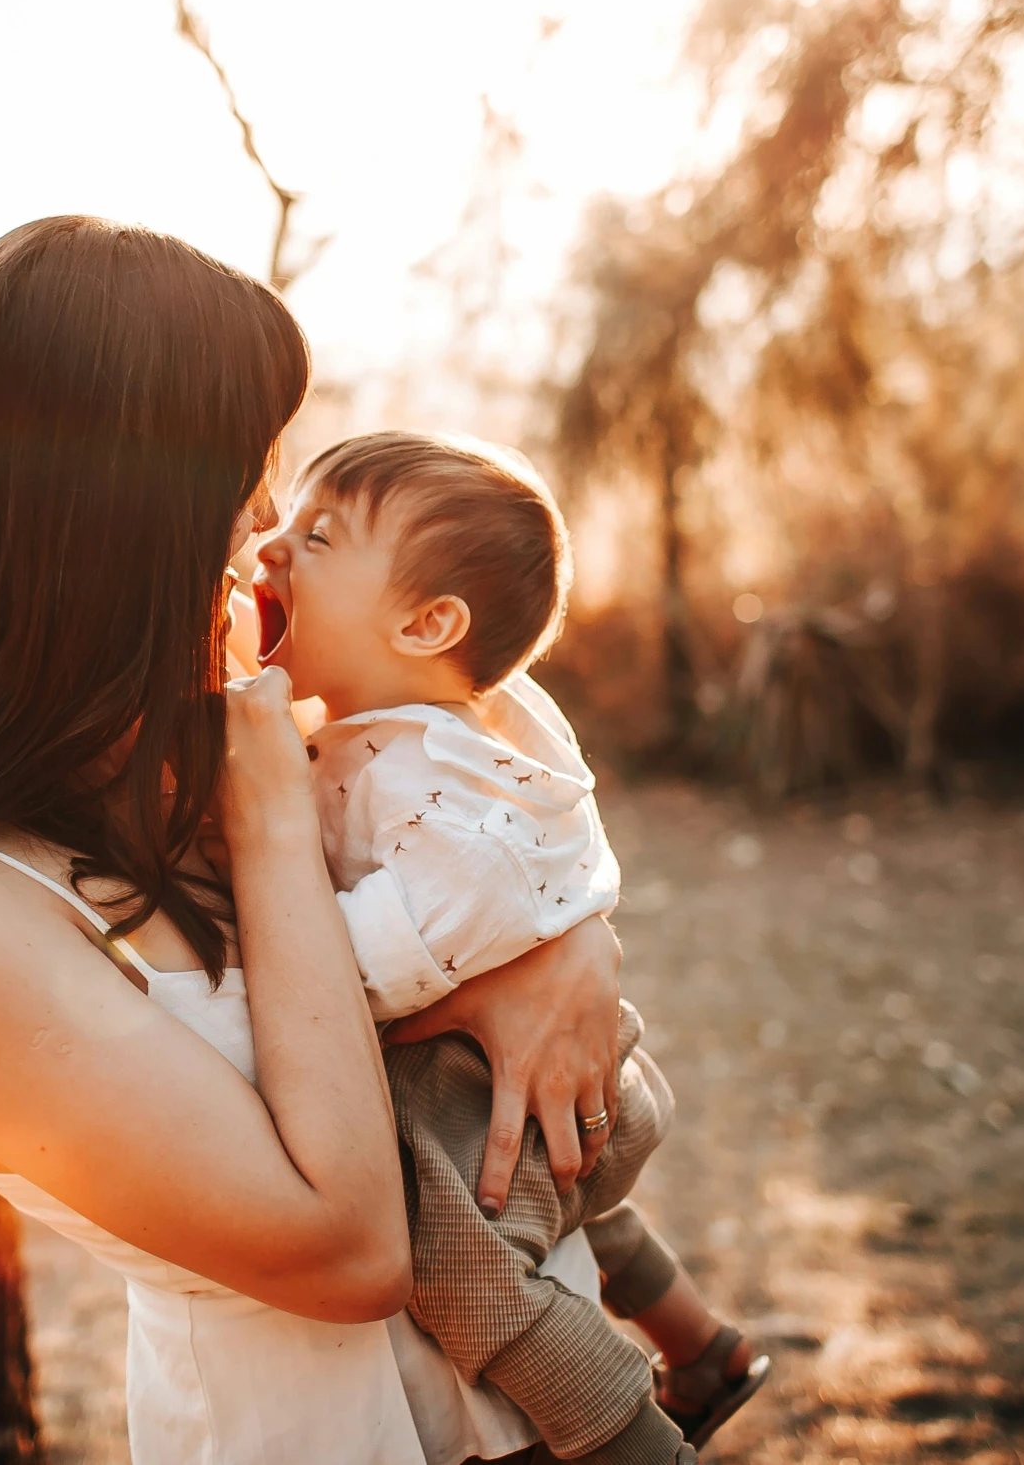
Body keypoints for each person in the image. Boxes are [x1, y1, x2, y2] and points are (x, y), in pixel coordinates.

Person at [0, 216, 630, 1464]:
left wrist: (572, 946)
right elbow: (349, 1249)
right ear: (118, 514)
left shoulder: (165, 739)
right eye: (249, 474)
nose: (270, 523)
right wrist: (270, 808)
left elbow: (483, 782)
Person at [252, 431, 769, 1461]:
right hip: (549, 1084)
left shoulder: (437, 793)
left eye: (313, 535)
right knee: (536, 1200)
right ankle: (699, 1344)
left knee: (455, 1257)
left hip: (512, 1078)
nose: (267, 546)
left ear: (427, 621)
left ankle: (633, 1442)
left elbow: (354, 976)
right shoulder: (422, 729)